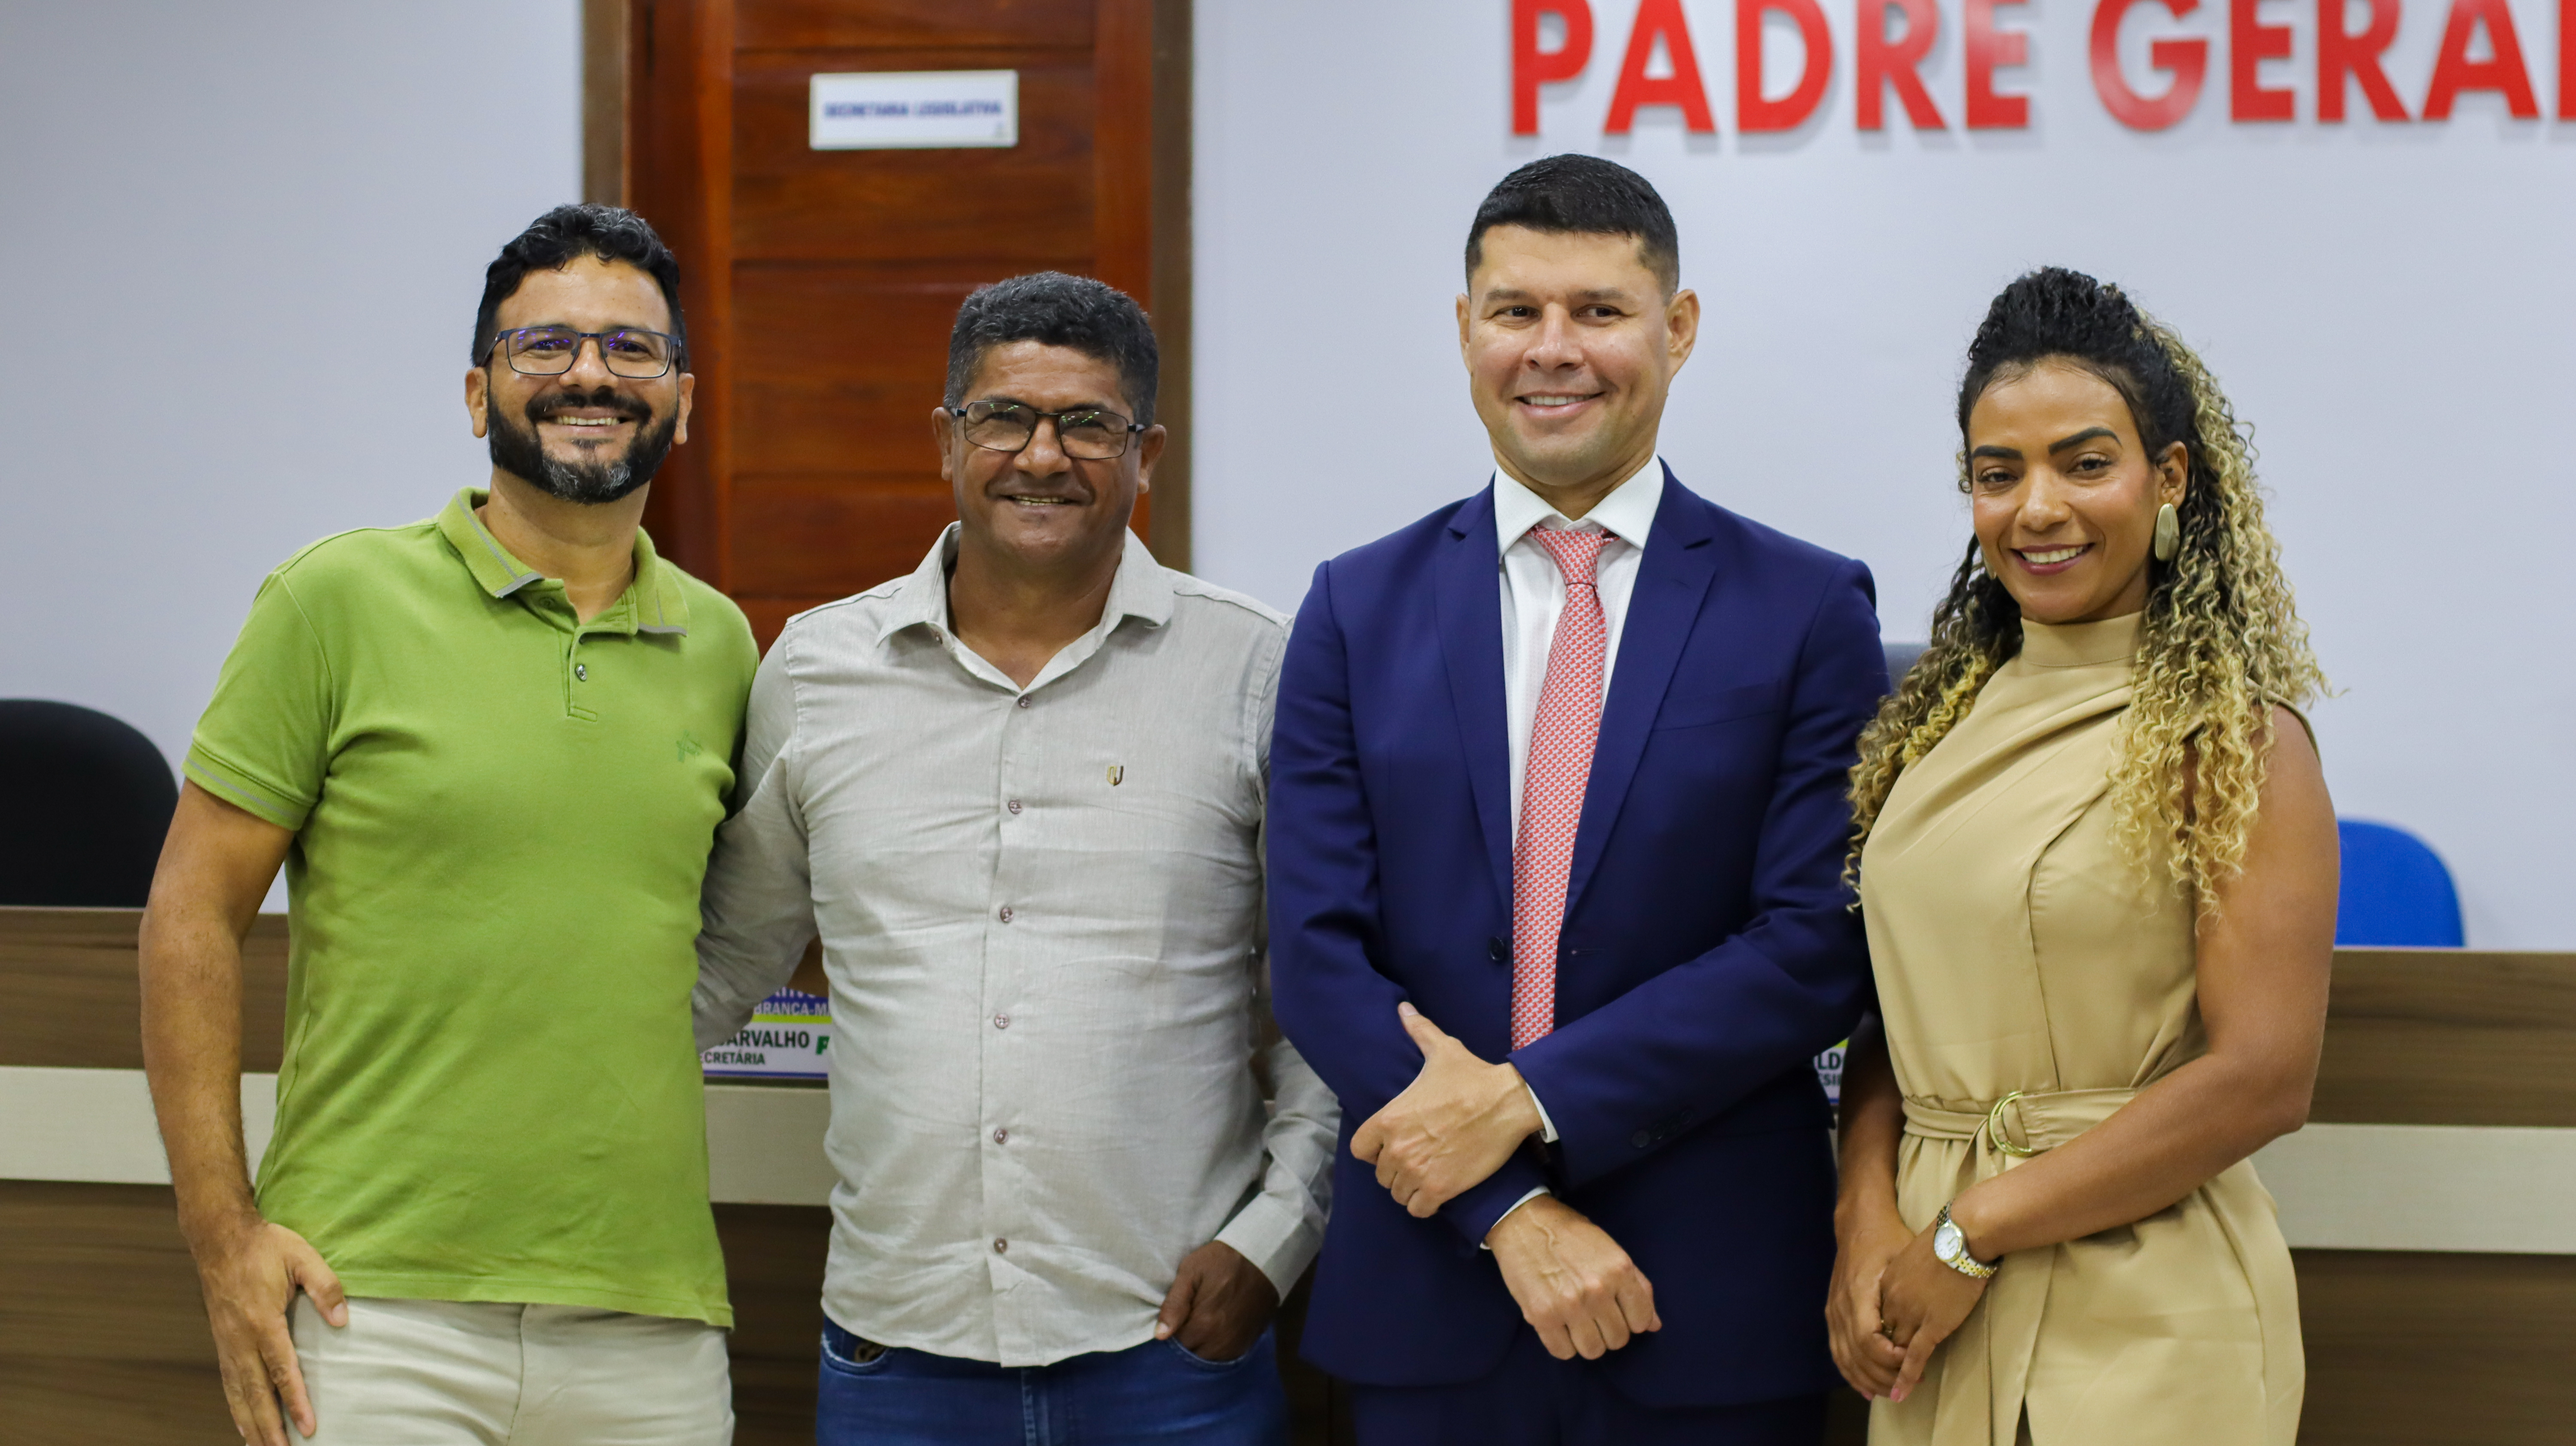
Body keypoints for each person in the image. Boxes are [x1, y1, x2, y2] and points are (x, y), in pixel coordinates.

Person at [1267, 154, 1885, 1443]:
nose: (1554, 349)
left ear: (1679, 327)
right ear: (1466, 329)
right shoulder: (1354, 607)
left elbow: (1811, 947)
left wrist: (1526, 1099)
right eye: (1517, 311)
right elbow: (1316, 956)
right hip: (1430, 1289)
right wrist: (1507, 1205)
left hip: (1705, 1299)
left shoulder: (1807, 607)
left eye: (1600, 311)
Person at [137, 204, 752, 1446]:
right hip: (371, 1306)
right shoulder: (334, 601)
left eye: (632, 349)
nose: (591, 374)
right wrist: (223, 1237)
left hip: (650, 1319)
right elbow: (189, 918)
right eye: (546, 345)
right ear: (479, 395)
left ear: (682, 402)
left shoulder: (726, 646)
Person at [690, 271, 1338, 1446]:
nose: (1043, 456)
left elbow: (1327, 999)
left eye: (1088, 423)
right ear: (947, 440)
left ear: (1146, 454)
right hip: (898, 1358)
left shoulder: (1256, 669)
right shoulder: (817, 673)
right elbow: (724, 968)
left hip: (1171, 1357)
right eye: (1004, 418)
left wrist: (1276, 1237)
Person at [1827, 267, 2333, 1446]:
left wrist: (1973, 1230)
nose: (2037, 509)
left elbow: (2264, 1076)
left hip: (2145, 1311)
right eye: (1998, 474)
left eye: (2085, 464)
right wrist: (1863, 1219)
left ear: (2171, 478)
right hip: (1925, 1299)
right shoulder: (1937, 721)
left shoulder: (2237, 736)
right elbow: (1893, 1016)